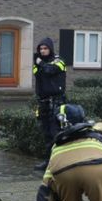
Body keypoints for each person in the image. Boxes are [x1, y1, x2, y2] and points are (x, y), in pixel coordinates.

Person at [32, 37, 67, 168]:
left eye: (45, 48)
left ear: (50, 49)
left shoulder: (59, 61)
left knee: (55, 133)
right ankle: (48, 162)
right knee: (46, 134)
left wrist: (40, 63)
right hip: (43, 103)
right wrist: (38, 64)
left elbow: (50, 70)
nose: (42, 51)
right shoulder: (40, 63)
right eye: (40, 49)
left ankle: (58, 162)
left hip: (56, 103)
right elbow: (39, 75)